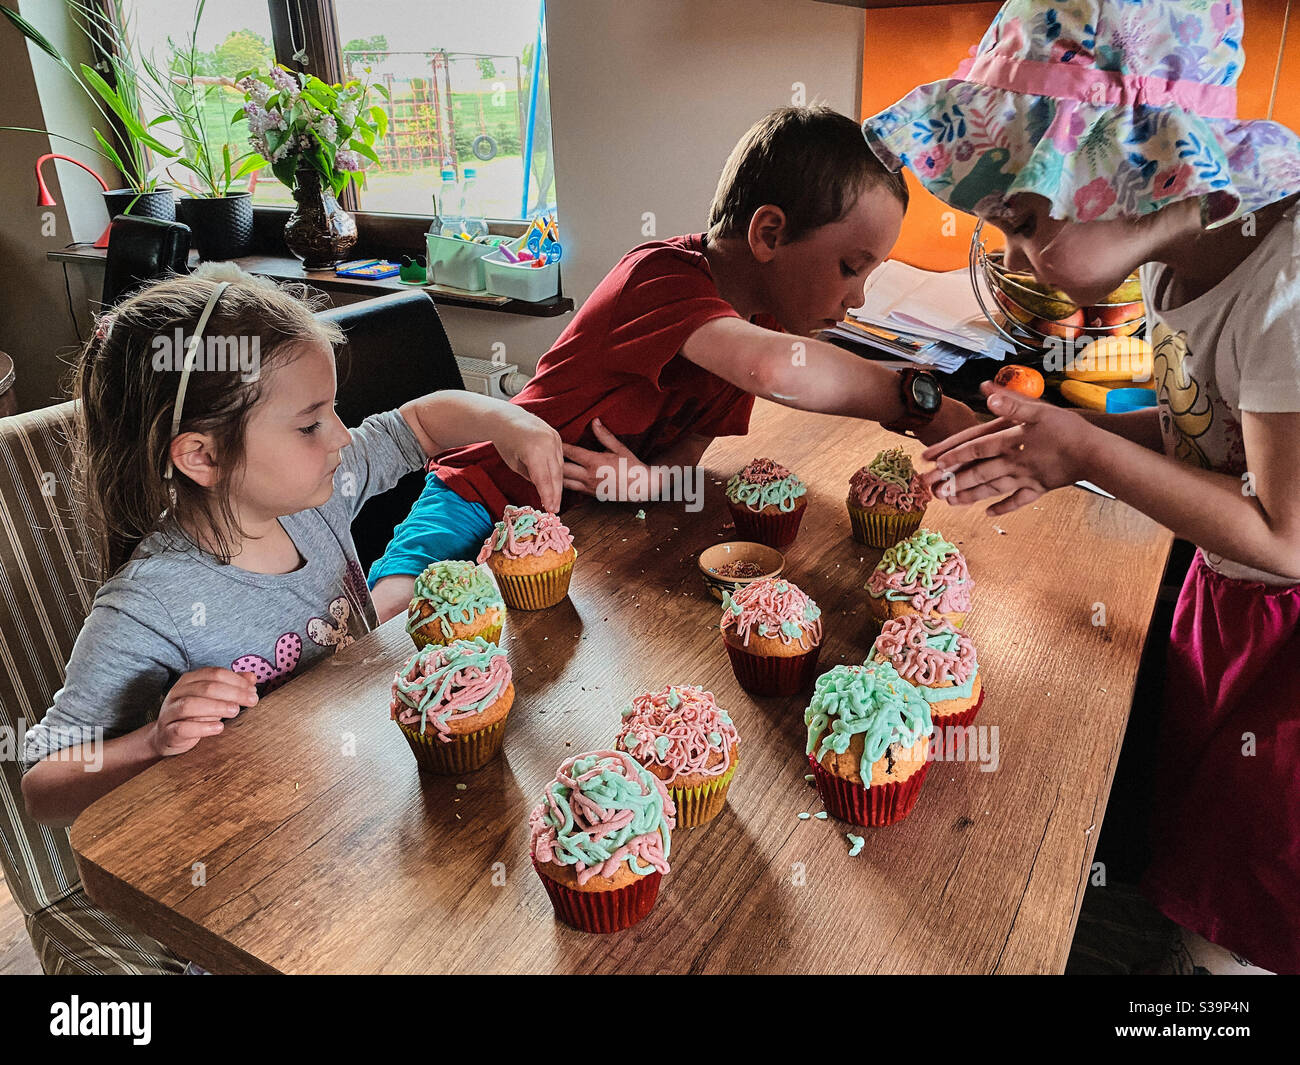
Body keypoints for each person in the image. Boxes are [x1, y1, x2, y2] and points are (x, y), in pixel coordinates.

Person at [863, 0, 1300, 974]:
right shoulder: (1171, 267)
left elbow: (1283, 535)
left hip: (1287, 660)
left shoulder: (1288, 288)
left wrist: (1088, 454)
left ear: (1137, 172)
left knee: (1248, 908)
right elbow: (1203, 436)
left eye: (1019, 225)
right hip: (1227, 609)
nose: (1014, 258)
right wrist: (1069, 437)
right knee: (1193, 862)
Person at [367, 105, 980, 622]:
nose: (859, 298)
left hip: (574, 531)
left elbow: (686, 464)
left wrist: (644, 482)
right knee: (397, 615)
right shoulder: (660, 279)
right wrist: (921, 407)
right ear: (768, 234)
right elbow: (774, 370)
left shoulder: (754, 332)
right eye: (852, 267)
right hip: (480, 492)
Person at [21, 267, 562, 827]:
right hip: (264, 843)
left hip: (361, 788)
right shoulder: (149, 607)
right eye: (309, 425)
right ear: (202, 457)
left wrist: (508, 421)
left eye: (332, 410)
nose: (342, 437)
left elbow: (421, 424)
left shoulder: (315, 497)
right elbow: (42, 785)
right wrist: (153, 741)